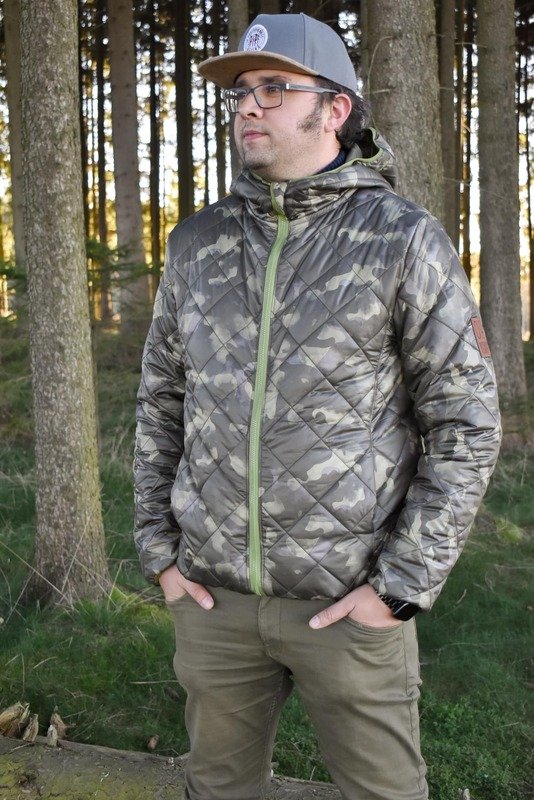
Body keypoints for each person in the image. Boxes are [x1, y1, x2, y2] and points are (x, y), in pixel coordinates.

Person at [134, 13, 501, 800]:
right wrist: (160, 553)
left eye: (274, 87)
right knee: (217, 789)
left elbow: (466, 423)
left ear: (334, 109)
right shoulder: (197, 244)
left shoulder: (401, 238)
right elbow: (161, 401)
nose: (248, 105)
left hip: (349, 604)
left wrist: (400, 586)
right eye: (241, 91)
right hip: (214, 602)